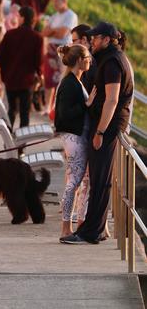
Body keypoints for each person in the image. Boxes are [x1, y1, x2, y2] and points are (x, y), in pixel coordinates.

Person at [61, 22, 134, 244]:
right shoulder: (110, 58)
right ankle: (98, 229)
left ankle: (90, 232)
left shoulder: (112, 62)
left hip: (108, 127)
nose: (90, 41)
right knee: (99, 179)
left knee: (100, 179)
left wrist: (100, 131)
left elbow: (112, 100)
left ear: (106, 39)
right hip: (105, 125)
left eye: (94, 38)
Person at [54, 44, 95, 238]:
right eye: (87, 57)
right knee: (73, 183)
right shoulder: (70, 83)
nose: (90, 60)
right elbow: (64, 114)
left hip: (78, 137)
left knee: (78, 182)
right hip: (74, 138)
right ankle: (65, 228)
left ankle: (77, 223)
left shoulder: (74, 81)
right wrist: (86, 104)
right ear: (79, 59)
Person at [0, 7, 44, 128]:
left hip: (10, 78)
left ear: (22, 18)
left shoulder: (10, 34)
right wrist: (39, 74)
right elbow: (38, 61)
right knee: (25, 113)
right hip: (27, 80)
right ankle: (22, 145)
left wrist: (4, 71)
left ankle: (8, 141)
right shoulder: (37, 37)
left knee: (11, 110)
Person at [42, 0, 78, 116]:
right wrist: (54, 31)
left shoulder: (71, 15)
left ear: (64, 0)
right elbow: (44, 32)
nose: (54, 4)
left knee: (61, 79)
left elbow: (62, 34)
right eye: (53, 1)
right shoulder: (54, 16)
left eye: (57, 1)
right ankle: (47, 107)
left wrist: (52, 31)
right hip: (51, 49)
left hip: (64, 50)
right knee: (48, 78)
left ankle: (58, 107)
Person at [71, 24, 96, 93]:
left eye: (74, 41)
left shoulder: (86, 61)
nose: (72, 45)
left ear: (84, 40)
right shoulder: (91, 58)